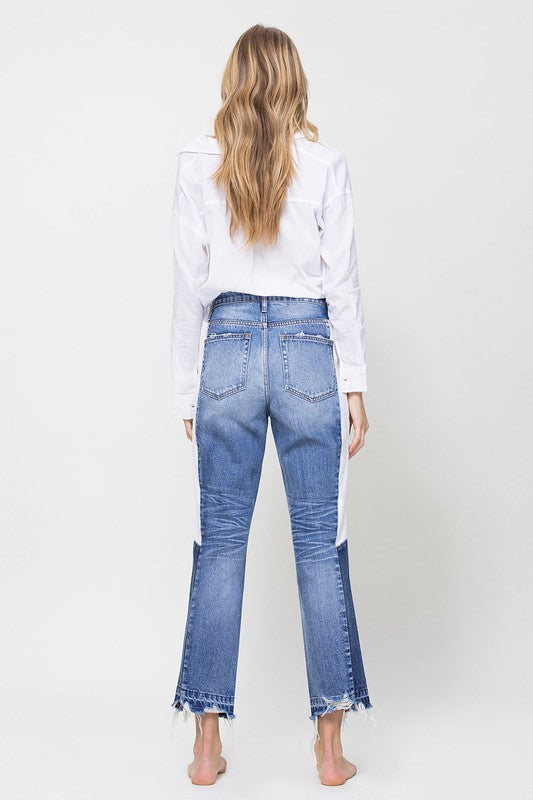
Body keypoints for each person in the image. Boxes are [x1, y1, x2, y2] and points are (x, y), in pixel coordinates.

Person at [169, 24, 372, 787]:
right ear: (293, 82)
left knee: (217, 542)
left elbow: (188, 283)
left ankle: (205, 746)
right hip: (305, 348)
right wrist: (352, 383)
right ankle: (327, 750)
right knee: (320, 543)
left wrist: (185, 387)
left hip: (223, 347)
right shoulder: (325, 164)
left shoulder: (198, 162)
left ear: (233, 80)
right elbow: (341, 282)